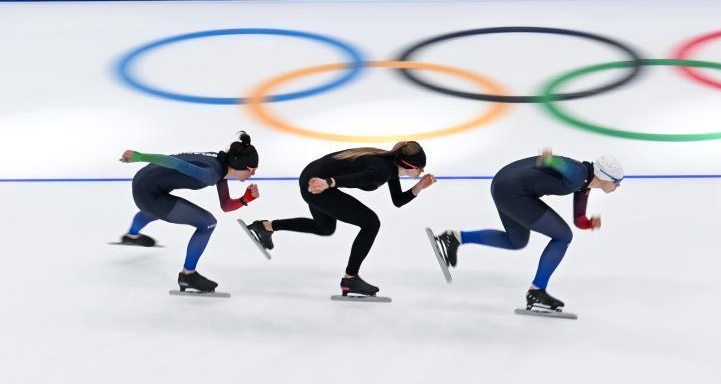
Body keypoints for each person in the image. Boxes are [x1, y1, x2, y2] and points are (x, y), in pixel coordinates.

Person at [428, 150, 623, 312]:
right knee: (563, 236)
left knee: (516, 241)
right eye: (616, 182)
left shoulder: (584, 183)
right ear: (604, 176)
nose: (618, 186)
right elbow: (557, 162)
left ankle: (453, 238)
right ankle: (537, 291)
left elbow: (578, 220)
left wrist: (590, 224)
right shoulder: (579, 173)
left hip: (504, 185)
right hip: (512, 191)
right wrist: (550, 159)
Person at [245, 141, 435, 297]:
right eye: (420, 168)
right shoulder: (382, 170)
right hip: (317, 185)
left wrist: (419, 187)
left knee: (325, 227)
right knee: (371, 223)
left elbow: (398, 201)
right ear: (408, 166)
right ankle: (350, 278)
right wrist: (328, 183)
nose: (421, 171)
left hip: (312, 177)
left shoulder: (390, 163)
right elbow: (356, 178)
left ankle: (265, 227)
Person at [119, 132, 260, 293]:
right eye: (253, 170)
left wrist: (245, 199)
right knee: (207, 223)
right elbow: (175, 163)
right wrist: (140, 156)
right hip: (147, 193)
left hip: (146, 182)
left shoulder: (221, 163)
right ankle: (188, 275)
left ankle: (131, 236)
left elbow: (226, 206)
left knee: (156, 210)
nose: (253, 174)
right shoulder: (210, 174)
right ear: (243, 167)